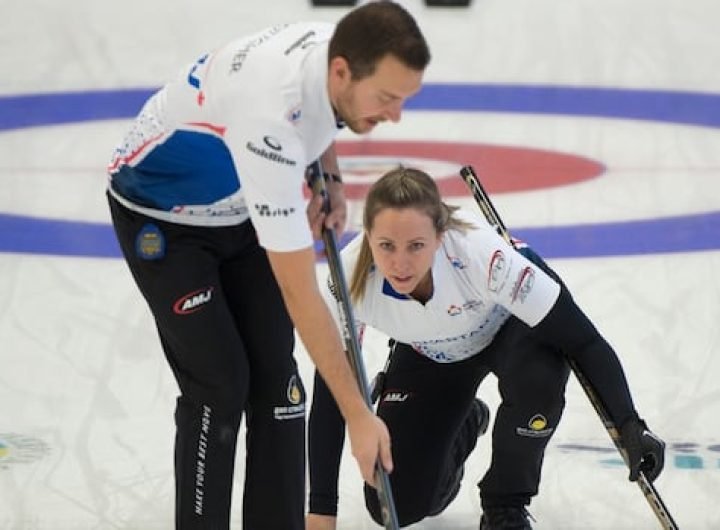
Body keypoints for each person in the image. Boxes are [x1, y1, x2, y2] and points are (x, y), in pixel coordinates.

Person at [105, 3, 431, 529]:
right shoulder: (271, 122)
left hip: (240, 204)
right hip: (162, 216)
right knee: (220, 383)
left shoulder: (337, 49)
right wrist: (358, 415)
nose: (395, 115)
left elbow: (322, 122)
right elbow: (303, 295)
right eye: (388, 99)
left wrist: (331, 180)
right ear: (342, 71)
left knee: (280, 386)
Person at [305, 167, 665, 530]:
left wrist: (630, 423)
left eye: (416, 245)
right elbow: (333, 383)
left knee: (540, 381)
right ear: (368, 236)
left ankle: (504, 503)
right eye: (386, 246)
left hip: (509, 327)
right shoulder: (347, 278)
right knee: (392, 505)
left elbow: (582, 340)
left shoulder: (483, 257)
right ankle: (466, 422)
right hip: (431, 350)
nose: (400, 263)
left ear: (440, 235)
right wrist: (322, 509)